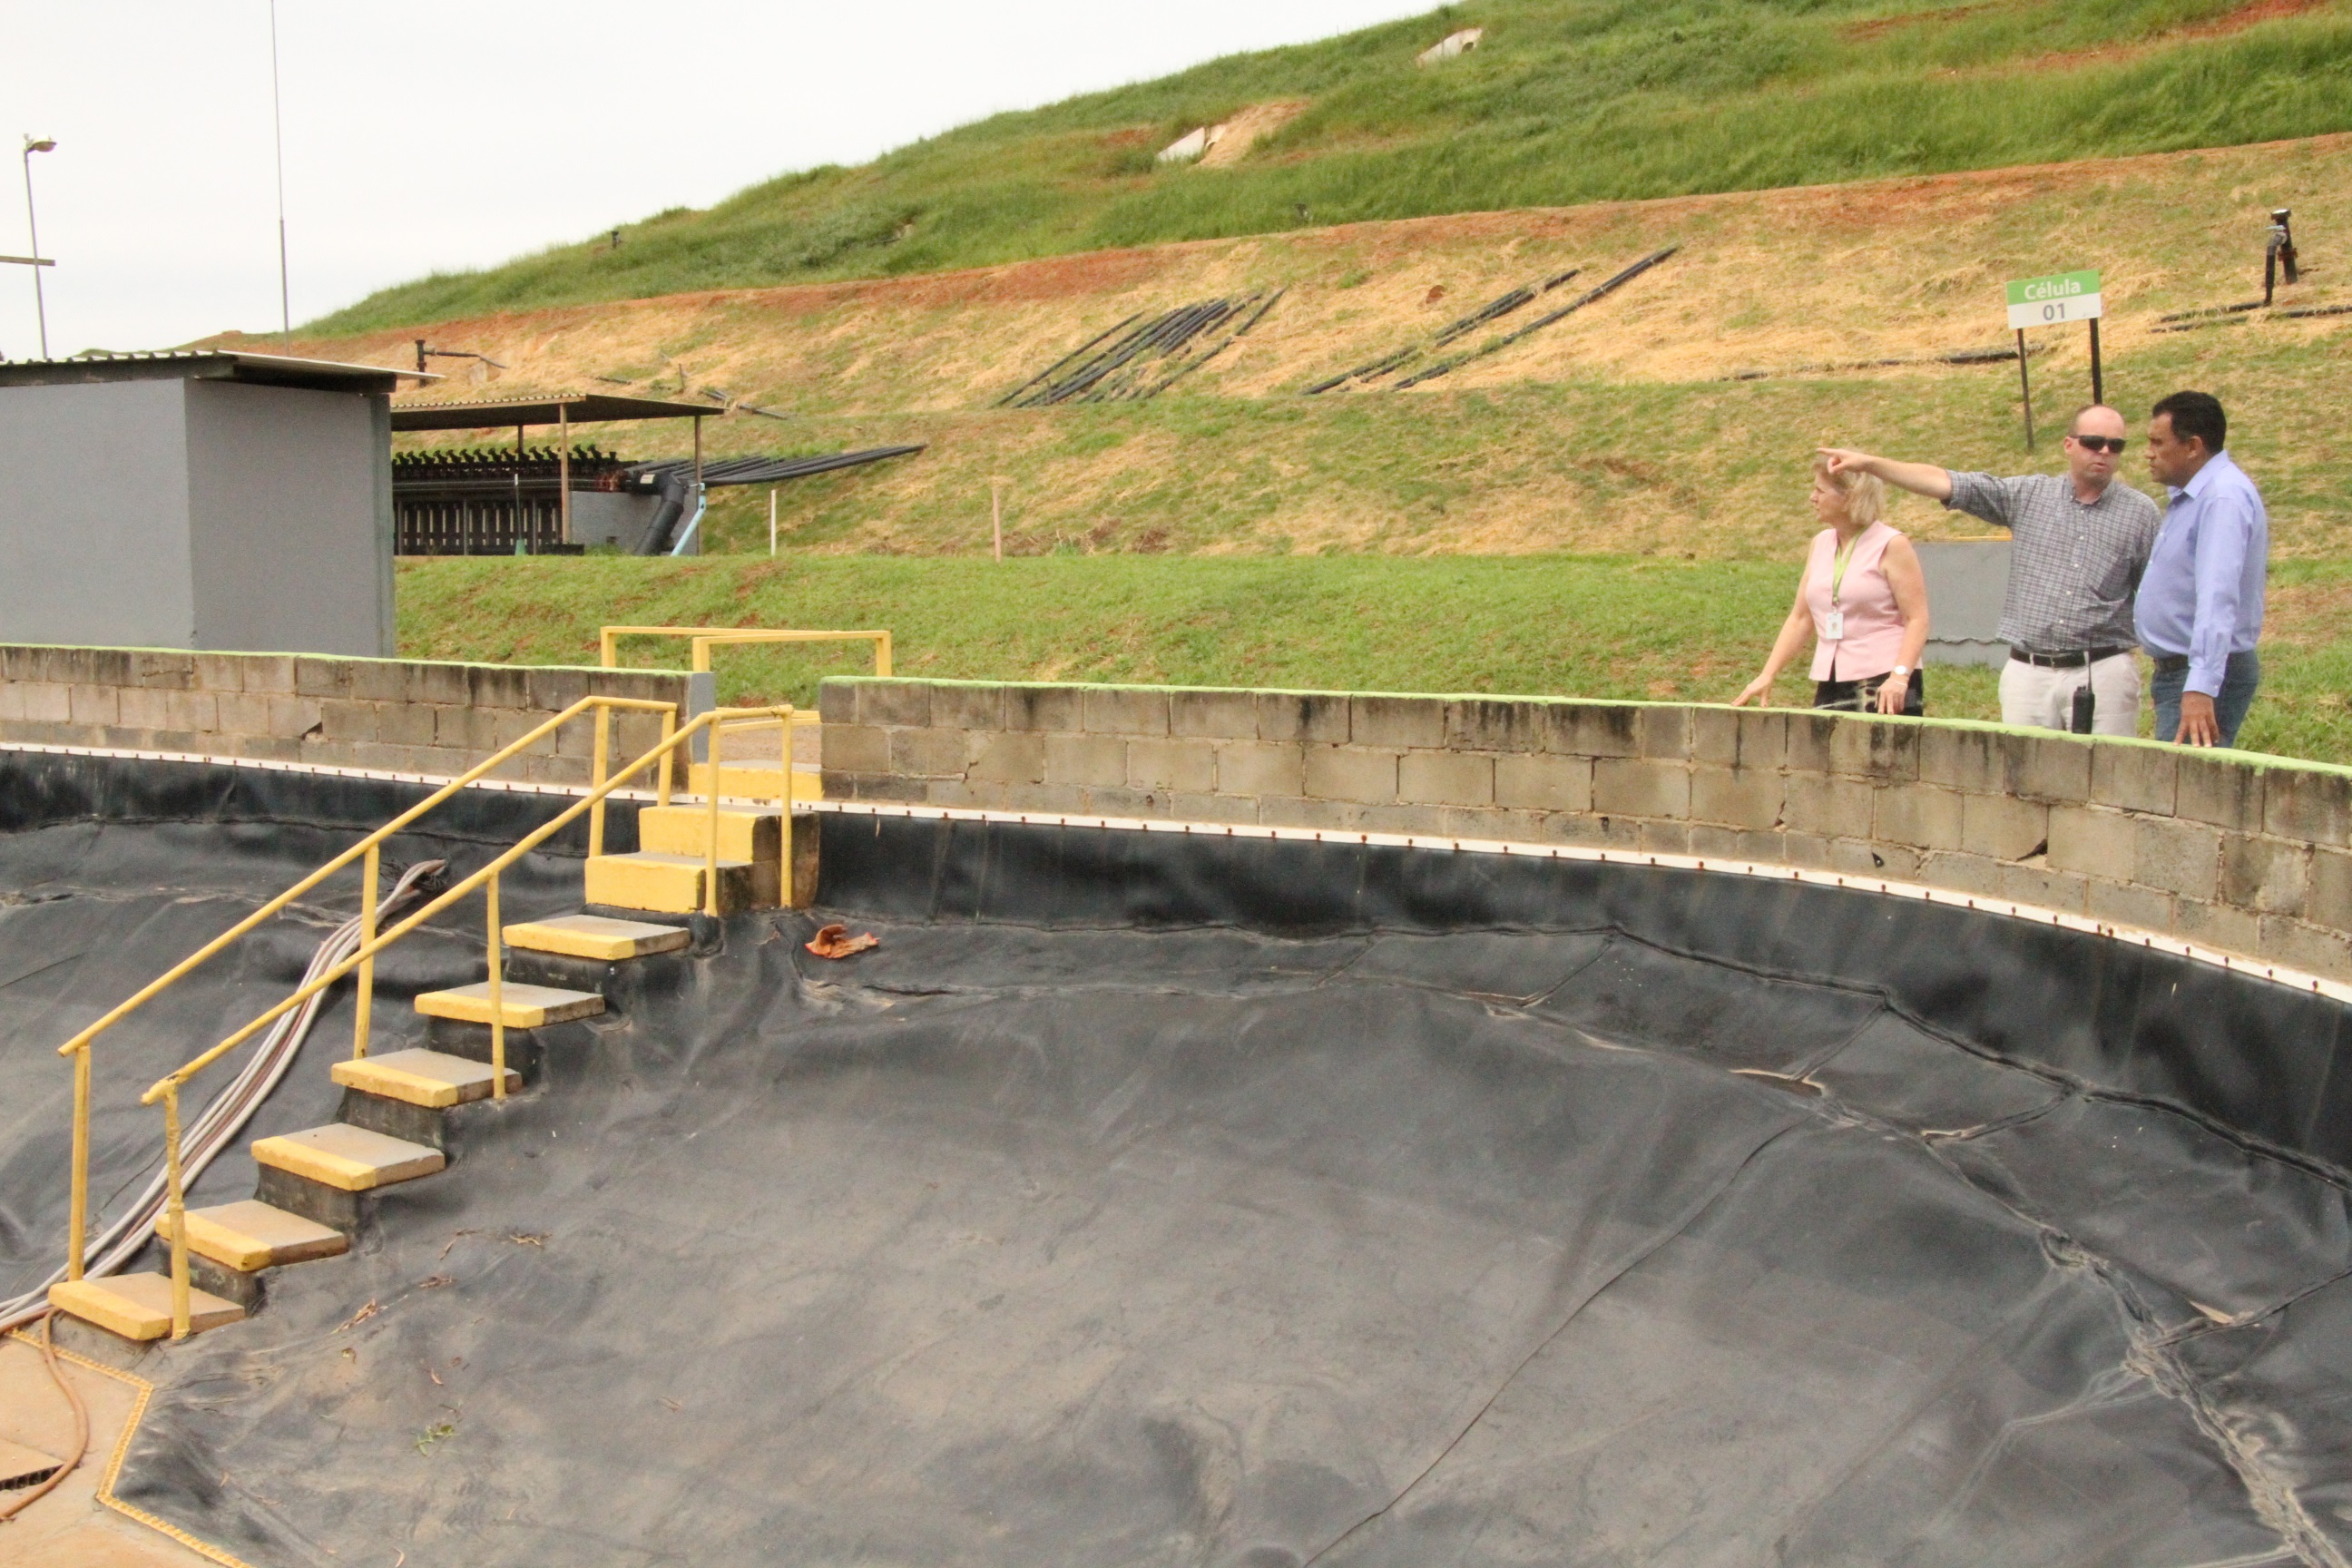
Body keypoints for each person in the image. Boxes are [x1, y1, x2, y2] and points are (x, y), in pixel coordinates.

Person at [1815, 406, 2159, 736]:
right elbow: (1947, 483)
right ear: (2069, 445)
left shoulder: (2140, 513)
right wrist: (1872, 465)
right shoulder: (2028, 495)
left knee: (2103, 782)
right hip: (2029, 671)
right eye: (2093, 442)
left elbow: (2156, 596)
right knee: (2023, 781)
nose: (2104, 451)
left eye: (2116, 446)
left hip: (2103, 669)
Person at [1735, 455, 1929, 715]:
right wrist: (1767, 674)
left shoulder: (1892, 545)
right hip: (1832, 676)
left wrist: (1900, 677)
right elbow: (1801, 618)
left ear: (1849, 497)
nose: (1812, 498)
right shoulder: (1821, 543)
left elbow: (1917, 618)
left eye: (1820, 491)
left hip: (1884, 679)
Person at [2136, 390, 2267, 748]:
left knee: (2183, 794)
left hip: (2201, 675)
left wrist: (2199, 686)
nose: (2148, 452)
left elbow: (2218, 594)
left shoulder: (2222, 498)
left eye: (2157, 442)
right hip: (2184, 672)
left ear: (2192, 446)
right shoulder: (2196, 496)